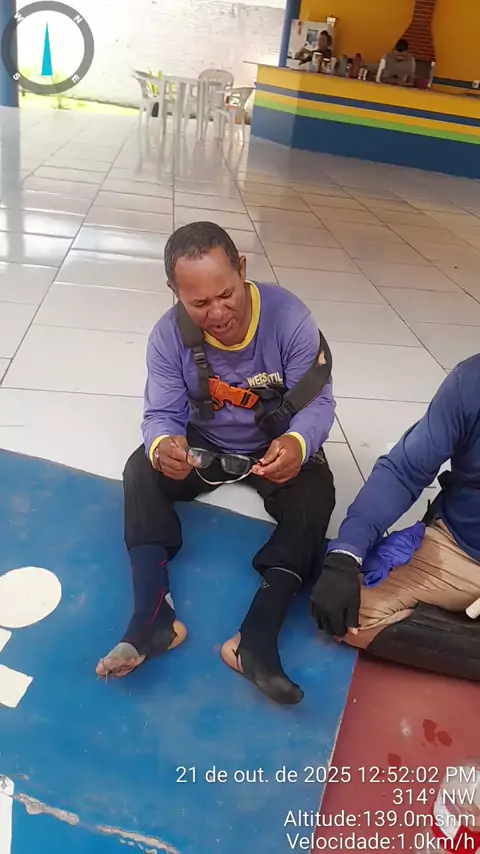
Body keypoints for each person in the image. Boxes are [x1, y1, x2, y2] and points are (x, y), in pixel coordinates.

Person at [96, 222, 336, 705]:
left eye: (226, 294)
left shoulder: (290, 319)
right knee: (140, 469)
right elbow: (160, 414)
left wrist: (297, 443)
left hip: (273, 447)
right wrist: (163, 446)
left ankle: (256, 640)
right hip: (203, 443)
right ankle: (153, 619)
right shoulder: (167, 336)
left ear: (242, 269)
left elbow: (318, 404)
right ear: (175, 292)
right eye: (199, 303)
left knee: (316, 495)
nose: (219, 312)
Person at [310, 356, 480, 682]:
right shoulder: (470, 381)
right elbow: (404, 471)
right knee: (349, 614)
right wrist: (346, 554)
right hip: (460, 546)